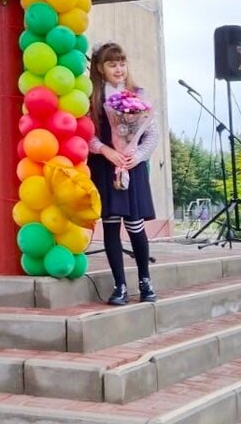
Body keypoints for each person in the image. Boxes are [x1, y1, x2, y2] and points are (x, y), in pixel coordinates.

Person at [88, 42, 160, 305]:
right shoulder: (92, 98)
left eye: (121, 63)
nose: (118, 69)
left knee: (135, 225)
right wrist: (105, 150)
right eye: (112, 64)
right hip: (105, 165)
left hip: (132, 166)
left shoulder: (138, 94)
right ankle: (119, 285)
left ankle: (145, 280)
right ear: (100, 68)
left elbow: (152, 134)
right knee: (110, 225)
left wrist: (135, 156)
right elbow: (87, 134)